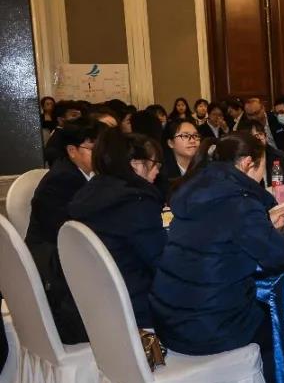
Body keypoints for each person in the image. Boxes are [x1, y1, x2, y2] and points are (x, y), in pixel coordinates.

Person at [152, 133, 284, 366]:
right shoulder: (240, 202)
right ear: (247, 163)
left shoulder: (197, 190)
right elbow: (281, 256)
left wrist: (264, 221)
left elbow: (219, 231)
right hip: (211, 328)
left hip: (169, 320)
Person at [69, 129, 167, 329]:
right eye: (155, 163)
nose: (158, 171)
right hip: (138, 307)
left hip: (96, 302)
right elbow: (163, 263)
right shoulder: (136, 203)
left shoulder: (87, 194)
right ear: (136, 164)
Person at [25, 120, 103, 343]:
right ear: (72, 151)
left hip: (68, 256)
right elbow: (68, 233)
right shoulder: (62, 179)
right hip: (54, 266)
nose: (101, 155)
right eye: (93, 148)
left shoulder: (88, 175)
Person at [237, 118, 284, 186]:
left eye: (260, 134)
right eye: (254, 136)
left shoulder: (279, 157)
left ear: (265, 135)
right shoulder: (240, 161)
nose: (259, 138)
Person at [158, 119, 201, 199]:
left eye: (195, 135)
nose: (192, 140)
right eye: (185, 136)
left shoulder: (207, 167)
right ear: (170, 143)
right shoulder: (161, 173)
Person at [43, 100, 85, 166]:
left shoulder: (76, 134)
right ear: (60, 120)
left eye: (80, 115)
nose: (79, 119)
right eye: (74, 115)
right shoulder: (56, 143)